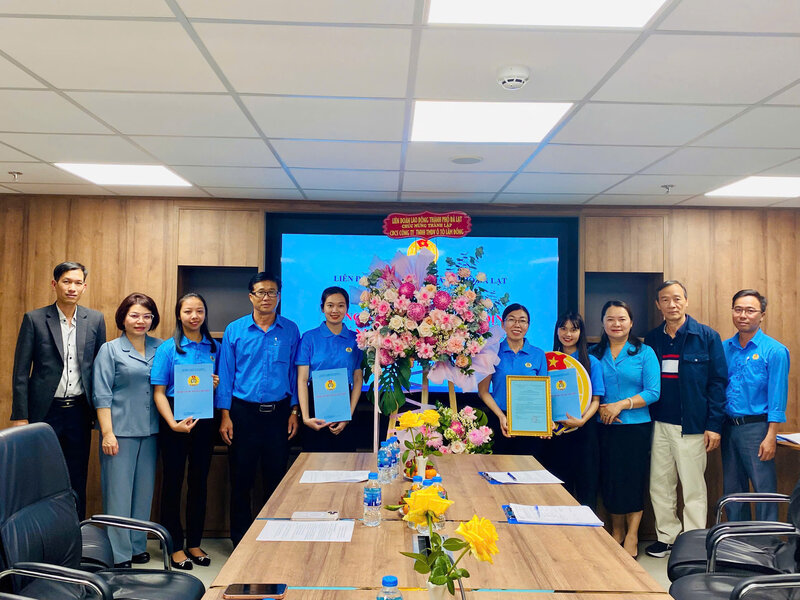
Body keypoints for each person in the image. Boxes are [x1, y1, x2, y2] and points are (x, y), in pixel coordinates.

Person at [11, 261, 107, 519]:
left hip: (79, 411)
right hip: (45, 411)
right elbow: (21, 372)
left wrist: (100, 413)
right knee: (42, 474)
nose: (72, 288)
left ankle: (75, 532)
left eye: (78, 283)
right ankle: (43, 532)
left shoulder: (95, 320)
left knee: (77, 476)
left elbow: (99, 369)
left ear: (84, 287)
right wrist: (21, 416)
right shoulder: (35, 319)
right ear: (55, 284)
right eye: (67, 281)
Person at [643, 280, 727, 558]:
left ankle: (693, 543)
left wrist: (713, 426)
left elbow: (717, 383)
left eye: (677, 299)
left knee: (693, 486)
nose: (672, 305)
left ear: (686, 301)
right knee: (660, 483)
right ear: (658, 305)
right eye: (665, 300)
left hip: (692, 425)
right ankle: (666, 537)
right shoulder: (653, 338)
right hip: (658, 424)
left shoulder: (706, 336)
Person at [216, 272, 301, 547]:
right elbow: (226, 375)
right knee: (241, 482)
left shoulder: (290, 330)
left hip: (278, 415)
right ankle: (240, 542)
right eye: (261, 292)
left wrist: (294, 411)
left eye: (272, 292)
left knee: (276, 481)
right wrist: (225, 415)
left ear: (279, 296)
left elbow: (293, 374)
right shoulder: (235, 330)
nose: (267, 297)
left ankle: (272, 540)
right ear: (251, 296)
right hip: (243, 414)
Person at [92, 293, 162, 567]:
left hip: (152, 430)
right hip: (119, 432)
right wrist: (107, 433)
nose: (141, 321)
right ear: (123, 317)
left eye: (147, 316)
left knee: (143, 494)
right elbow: (102, 394)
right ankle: (119, 554)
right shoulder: (109, 350)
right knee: (118, 495)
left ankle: (136, 545)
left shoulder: (162, 347)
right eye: (134, 315)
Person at [151, 293, 220, 570]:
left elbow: (215, 383)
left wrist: (213, 383)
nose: (194, 316)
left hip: (204, 419)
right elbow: (158, 392)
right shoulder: (168, 349)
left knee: (199, 482)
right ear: (179, 315)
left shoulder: (214, 347)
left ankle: (194, 542)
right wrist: (172, 424)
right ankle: (174, 547)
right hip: (175, 420)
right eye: (188, 311)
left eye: (199, 311)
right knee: (172, 484)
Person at [591, 300, 660, 558]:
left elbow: (653, 392)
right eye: (610, 319)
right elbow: (585, 390)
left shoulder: (645, 352)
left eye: (622, 319)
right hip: (603, 426)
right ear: (603, 323)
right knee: (610, 481)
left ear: (631, 322)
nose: (616, 324)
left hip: (636, 427)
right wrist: (602, 410)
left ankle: (632, 535)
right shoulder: (595, 353)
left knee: (633, 480)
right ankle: (616, 531)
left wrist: (620, 405)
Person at [722, 289, 790, 521]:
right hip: (727, 426)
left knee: (764, 490)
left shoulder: (775, 351)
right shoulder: (724, 348)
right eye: (738, 309)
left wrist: (772, 435)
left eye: (750, 310)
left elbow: (777, 397)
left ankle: (766, 545)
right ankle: (735, 543)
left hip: (757, 429)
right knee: (733, 490)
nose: (743, 315)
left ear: (762, 315)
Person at [547, 310, 605, 510]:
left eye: (574, 329)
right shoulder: (546, 361)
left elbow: (596, 400)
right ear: (557, 331)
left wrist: (582, 421)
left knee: (586, 493)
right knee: (557, 493)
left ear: (581, 332)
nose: (568, 333)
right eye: (563, 328)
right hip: (555, 436)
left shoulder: (592, 362)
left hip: (584, 435)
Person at [296, 287, 364, 452]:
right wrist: (306, 418)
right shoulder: (309, 338)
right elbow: (302, 380)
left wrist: (348, 416)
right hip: (314, 406)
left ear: (347, 308)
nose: (335, 310)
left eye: (340, 306)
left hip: (345, 405)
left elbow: (357, 379)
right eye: (330, 305)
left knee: (346, 463)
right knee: (314, 463)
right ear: (322, 308)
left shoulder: (356, 339)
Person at [478, 303, 548, 455]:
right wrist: (501, 416)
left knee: (528, 471)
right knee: (499, 469)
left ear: (528, 325)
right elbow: (483, 392)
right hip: (500, 419)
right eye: (511, 319)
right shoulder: (492, 352)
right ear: (503, 324)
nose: (517, 325)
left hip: (530, 421)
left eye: (522, 320)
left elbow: (543, 394)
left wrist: (544, 423)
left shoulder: (538, 355)